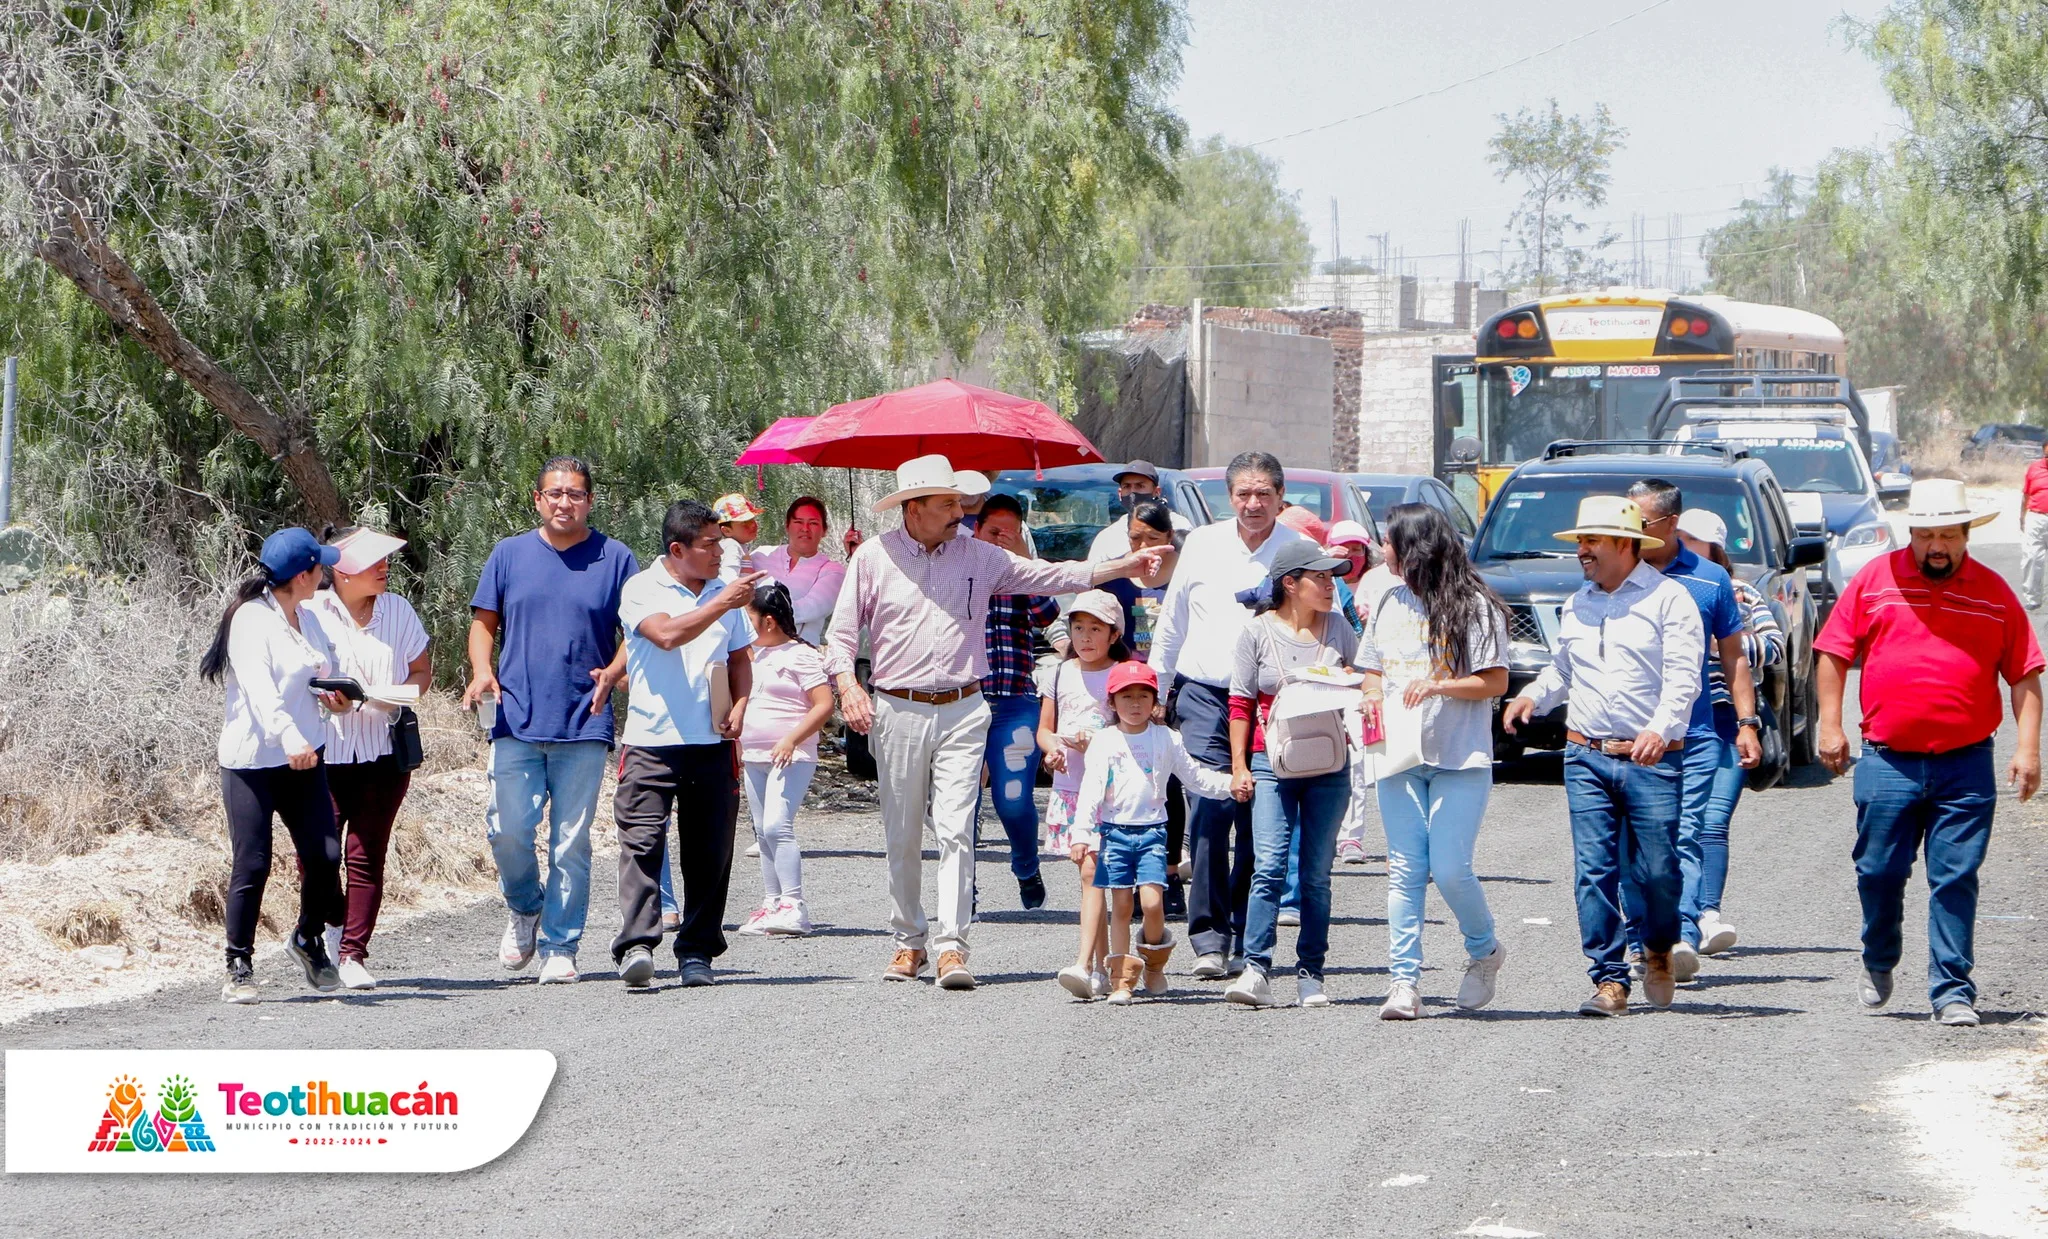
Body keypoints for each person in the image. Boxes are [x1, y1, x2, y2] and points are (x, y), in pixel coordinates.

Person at [825, 454, 1161, 990]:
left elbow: (1051, 576)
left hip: (965, 706)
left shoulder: (980, 556)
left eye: (959, 501)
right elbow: (841, 635)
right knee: (904, 830)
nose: (960, 510)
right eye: (947, 503)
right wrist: (847, 687)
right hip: (898, 706)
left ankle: (952, 948)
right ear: (914, 508)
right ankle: (908, 940)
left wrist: (1121, 567)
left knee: (958, 829)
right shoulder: (873, 558)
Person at [1816, 478, 2043, 1027]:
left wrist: (2029, 749)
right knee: (1878, 870)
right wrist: (1829, 724)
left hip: (1965, 763)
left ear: (1966, 535)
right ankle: (1879, 955)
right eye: (1925, 535)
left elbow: (2026, 673)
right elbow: (1833, 652)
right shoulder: (1875, 580)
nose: (1936, 545)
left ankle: (1952, 991)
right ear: (1911, 534)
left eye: (1947, 534)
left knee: (1956, 877)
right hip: (1887, 759)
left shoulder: (1995, 593)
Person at [1502, 495, 1703, 1017]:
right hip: (1585, 755)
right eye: (1581, 542)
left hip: (1651, 759)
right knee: (1593, 871)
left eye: (1592, 541)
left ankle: (1658, 947)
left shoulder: (1670, 600)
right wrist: (1533, 696)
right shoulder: (1578, 604)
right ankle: (1609, 978)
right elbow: (1564, 670)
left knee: (1657, 870)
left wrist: (1660, 730)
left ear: (1625, 544)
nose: (1583, 552)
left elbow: (1684, 679)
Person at [464, 457, 638, 984]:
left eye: (576, 494)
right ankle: (524, 906)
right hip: (516, 716)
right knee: (508, 830)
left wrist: (612, 670)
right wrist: (481, 671)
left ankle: (561, 946)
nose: (566, 502)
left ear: (590, 500)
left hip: (584, 719)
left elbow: (640, 628)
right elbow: (483, 622)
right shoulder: (509, 554)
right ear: (538, 499)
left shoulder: (616, 558)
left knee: (571, 841)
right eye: (555, 493)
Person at [1150, 451, 1309, 979]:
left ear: (1281, 497)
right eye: (1243, 493)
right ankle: (1209, 938)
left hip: (1269, 702)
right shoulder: (1201, 544)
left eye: (1264, 493)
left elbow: (1318, 624)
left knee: (1256, 816)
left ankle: (1247, 933)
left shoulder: (1299, 551)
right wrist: (1158, 689)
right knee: (1211, 810)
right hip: (1203, 695)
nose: (1253, 503)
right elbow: (1172, 621)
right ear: (1229, 497)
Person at [1359, 505, 1511, 1019]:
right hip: (1396, 754)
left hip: (1460, 756)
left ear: (1414, 548)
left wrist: (1440, 684)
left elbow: (1495, 681)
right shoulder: (1386, 600)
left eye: (1389, 541)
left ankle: (1484, 951)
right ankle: (1404, 983)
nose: (1383, 551)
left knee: (1449, 868)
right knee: (1404, 870)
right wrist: (1371, 697)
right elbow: (1372, 670)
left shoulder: (1475, 605)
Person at [1617, 479, 1762, 985]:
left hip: (1695, 734)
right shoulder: (1614, 574)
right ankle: (1641, 940)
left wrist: (1746, 722)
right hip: (1627, 736)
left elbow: (1733, 656)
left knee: (1685, 833)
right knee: (1632, 846)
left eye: (1643, 522)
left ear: (1671, 523)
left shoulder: (1710, 580)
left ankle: (1677, 935)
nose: (1630, 531)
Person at [612, 500, 760, 989]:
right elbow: (667, 635)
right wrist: (722, 602)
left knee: (710, 851)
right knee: (641, 842)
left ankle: (697, 950)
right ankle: (636, 944)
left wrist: (741, 704)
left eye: (722, 541)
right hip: (650, 742)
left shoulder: (726, 593)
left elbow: (739, 658)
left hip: (712, 743)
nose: (721, 551)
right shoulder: (641, 588)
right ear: (677, 549)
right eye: (710, 543)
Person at [201, 528, 352, 1003]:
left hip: (305, 756)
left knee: (326, 856)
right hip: (253, 761)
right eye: (320, 567)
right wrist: (289, 738)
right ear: (303, 575)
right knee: (253, 862)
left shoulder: (309, 618)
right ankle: (238, 964)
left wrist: (340, 701)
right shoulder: (251, 620)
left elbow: (325, 679)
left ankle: (307, 939)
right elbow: (259, 691)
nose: (325, 573)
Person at [1221, 539, 1360, 1009]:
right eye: (1320, 577)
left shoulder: (1339, 629)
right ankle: (1256, 967)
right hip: (1269, 762)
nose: (1329, 584)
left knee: (1317, 874)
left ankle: (1310, 974)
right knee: (1269, 865)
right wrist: (1239, 767)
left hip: (1331, 764)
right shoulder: (1256, 633)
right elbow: (1239, 702)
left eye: (1332, 577)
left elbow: (1367, 687)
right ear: (1290, 583)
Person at [305, 527, 431, 991]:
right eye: (373, 561)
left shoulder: (399, 610)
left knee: (366, 855)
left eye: (386, 561)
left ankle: (353, 953)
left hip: (383, 751)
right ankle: (332, 927)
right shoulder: (310, 611)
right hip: (324, 751)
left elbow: (421, 671)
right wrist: (326, 699)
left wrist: (395, 695)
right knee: (316, 857)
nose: (384, 568)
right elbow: (300, 677)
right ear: (340, 570)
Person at [1069, 661, 1240, 1004]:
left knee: (1151, 903)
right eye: (1126, 696)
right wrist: (1081, 833)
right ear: (1112, 702)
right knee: (1120, 905)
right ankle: (1121, 979)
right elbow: (1091, 790)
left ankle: (1154, 963)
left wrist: (1230, 784)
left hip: (1152, 833)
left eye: (1143, 696)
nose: (1135, 704)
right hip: (1114, 832)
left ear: (1155, 701)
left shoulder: (1166, 738)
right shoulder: (1105, 741)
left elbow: (1195, 777)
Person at [1673, 507, 1784, 955]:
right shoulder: (1657, 589)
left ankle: (1707, 913)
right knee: (1675, 824)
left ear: (1713, 547)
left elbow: (1774, 647)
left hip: (1727, 722)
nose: (1679, 544)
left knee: (1712, 822)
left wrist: (1726, 642)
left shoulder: (1742, 594)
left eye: (1690, 539)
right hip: (1675, 723)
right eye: (1677, 535)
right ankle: (1678, 918)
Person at [1095, 499, 1186, 917]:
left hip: (1176, 686)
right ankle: (1125, 876)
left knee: (1169, 781)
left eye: (1153, 538)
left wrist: (1165, 694)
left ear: (1169, 538)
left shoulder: (1185, 575)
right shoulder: (1117, 576)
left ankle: (1168, 875)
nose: (1145, 547)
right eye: (1136, 539)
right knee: (1126, 780)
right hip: (1128, 689)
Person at [973, 493, 1060, 910]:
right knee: (960, 801)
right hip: (964, 702)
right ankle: (962, 888)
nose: (1000, 541)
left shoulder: (1024, 572)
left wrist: (1023, 561)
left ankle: (1026, 865)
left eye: (1009, 534)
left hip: (1016, 703)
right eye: (993, 532)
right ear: (976, 530)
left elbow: (1049, 615)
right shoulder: (959, 569)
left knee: (1012, 798)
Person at [734, 582, 834, 938]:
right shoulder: (751, 655)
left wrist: (791, 739)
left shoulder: (801, 655)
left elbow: (824, 704)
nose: (745, 624)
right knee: (762, 832)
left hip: (791, 755)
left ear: (770, 621)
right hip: (755, 755)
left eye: (749, 617)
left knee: (778, 826)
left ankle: (794, 904)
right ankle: (772, 901)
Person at [1043, 590, 1126, 998]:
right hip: (1072, 787)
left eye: (1096, 629)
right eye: (1078, 628)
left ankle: (1109, 962)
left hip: (1115, 792)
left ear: (1113, 634)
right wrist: (1053, 750)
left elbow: (1136, 724)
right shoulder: (1059, 673)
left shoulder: (1123, 673)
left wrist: (1098, 741)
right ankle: (1096, 966)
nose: (1086, 638)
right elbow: (1045, 727)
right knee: (1089, 876)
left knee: (1112, 880)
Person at [1328, 518, 1383, 868]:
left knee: (1358, 758)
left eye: (1356, 549)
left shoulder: (1379, 582)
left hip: (1356, 682)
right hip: (1318, 680)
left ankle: (1352, 836)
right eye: (1341, 549)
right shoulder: (1317, 579)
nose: (1350, 555)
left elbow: (1362, 639)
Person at [749, 496, 847, 644]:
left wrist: (753, 612)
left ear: (824, 530)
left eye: (813, 523)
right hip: (752, 656)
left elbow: (811, 609)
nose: (805, 529)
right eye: (798, 522)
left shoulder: (833, 571)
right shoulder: (759, 555)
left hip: (799, 658)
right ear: (787, 525)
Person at [1085, 460, 1192, 562]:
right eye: (1127, 486)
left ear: (1156, 492)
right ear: (1120, 493)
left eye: (1140, 486)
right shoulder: (1108, 538)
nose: (1133, 492)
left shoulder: (1179, 525)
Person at [2020, 440, 2048, 610]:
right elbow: (2025, 495)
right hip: (2036, 517)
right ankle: (2033, 599)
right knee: (2032, 557)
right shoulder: (2034, 468)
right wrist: (2022, 517)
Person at [713, 493, 764, 583]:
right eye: (745, 522)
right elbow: (729, 579)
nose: (753, 525)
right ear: (727, 531)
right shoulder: (731, 545)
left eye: (752, 520)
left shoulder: (739, 546)